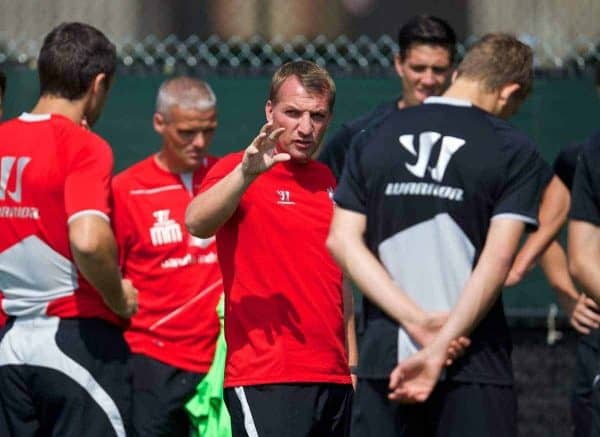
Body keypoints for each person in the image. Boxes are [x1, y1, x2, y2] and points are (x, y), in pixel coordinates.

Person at [327, 33, 553, 436]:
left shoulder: (372, 135)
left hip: (386, 363)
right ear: (509, 93)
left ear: (459, 72)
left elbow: (341, 241)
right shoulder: (513, 148)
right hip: (473, 361)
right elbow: (497, 260)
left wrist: (416, 324)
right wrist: (440, 344)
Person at [185, 60, 354, 437]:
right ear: (270, 111)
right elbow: (197, 221)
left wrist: (352, 366)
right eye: (293, 113)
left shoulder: (329, 181)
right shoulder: (238, 170)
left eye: (317, 115)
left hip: (333, 377)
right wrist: (246, 174)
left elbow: (340, 279)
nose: (306, 128)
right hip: (266, 376)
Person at [0, 22, 137, 437]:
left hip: (11, 347)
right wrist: (119, 297)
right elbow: (89, 240)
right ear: (98, 84)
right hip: (78, 341)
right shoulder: (84, 146)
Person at [111, 76, 224, 436]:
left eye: (208, 130)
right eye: (187, 132)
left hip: (223, 359)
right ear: (160, 123)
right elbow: (110, 276)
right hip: (154, 360)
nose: (200, 142)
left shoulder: (227, 177)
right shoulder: (127, 189)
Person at [318, 14, 456, 179]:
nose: (428, 80)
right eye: (418, 68)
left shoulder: (468, 133)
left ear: (451, 70)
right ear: (399, 64)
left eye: (438, 70)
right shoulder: (360, 135)